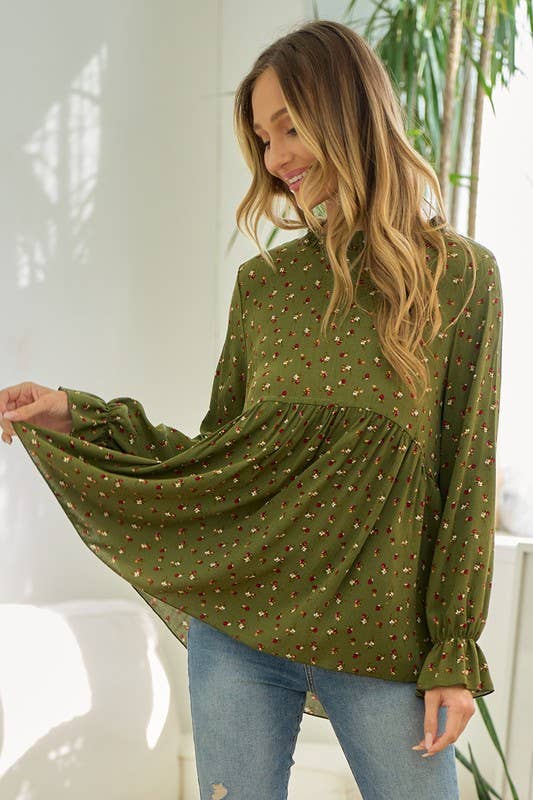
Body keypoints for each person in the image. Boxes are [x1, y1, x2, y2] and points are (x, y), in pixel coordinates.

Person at [0, 19, 503, 800]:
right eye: (263, 138)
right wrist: (77, 416)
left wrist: (454, 652)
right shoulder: (265, 286)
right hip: (238, 633)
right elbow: (221, 468)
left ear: (349, 113)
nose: (273, 159)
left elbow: (464, 477)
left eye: (289, 127)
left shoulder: (459, 277)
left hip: (378, 641)